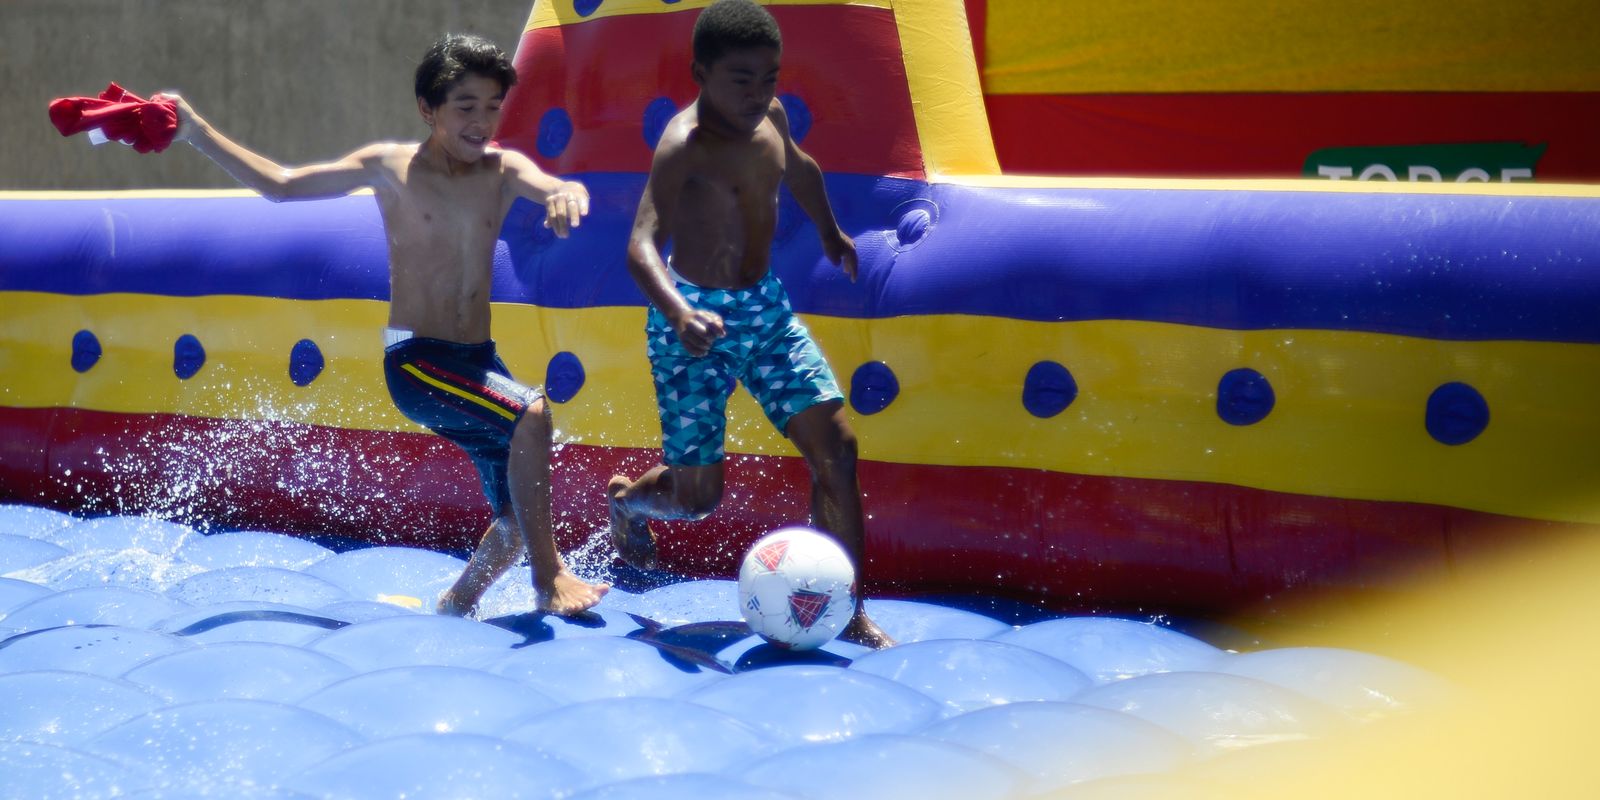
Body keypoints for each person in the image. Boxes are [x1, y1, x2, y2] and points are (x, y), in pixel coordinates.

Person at [160, 34, 609, 616]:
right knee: (532, 414)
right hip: (419, 363)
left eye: (493, 106)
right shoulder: (391, 168)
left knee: (516, 518)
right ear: (428, 108)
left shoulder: (501, 170)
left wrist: (566, 193)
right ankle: (550, 581)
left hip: (476, 361)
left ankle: (457, 603)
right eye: (465, 107)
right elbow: (281, 185)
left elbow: (553, 184)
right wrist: (195, 130)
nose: (481, 122)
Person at [607, 0, 893, 648]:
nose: (757, 94)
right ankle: (628, 501)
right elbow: (640, 245)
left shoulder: (771, 117)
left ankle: (845, 611)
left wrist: (830, 232)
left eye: (769, 78)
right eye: (741, 80)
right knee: (696, 499)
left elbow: (801, 167)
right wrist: (679, 312)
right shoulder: (683, 145)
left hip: (763, 311)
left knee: (838, 450)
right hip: (691, 322)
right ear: (700, 73)